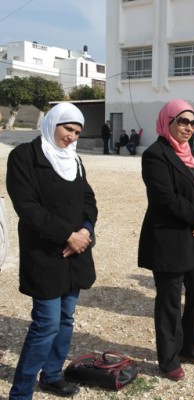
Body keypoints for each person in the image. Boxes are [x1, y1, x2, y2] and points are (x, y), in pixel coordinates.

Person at [6, 103, 97, 399]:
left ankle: (52, 375)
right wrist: (67, 236)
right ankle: (21, 393)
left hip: (75, 252)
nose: (72, 136)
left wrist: (85, 232)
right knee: (46, 323)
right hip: (44, 252)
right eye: (68, 129)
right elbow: (27, 206)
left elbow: (88, 201)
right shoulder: (24, 156)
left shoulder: (74, 160)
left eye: (77, 132)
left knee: (66, 318)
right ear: (52, 123)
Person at [138, 99, 194, 381]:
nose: (188, 127)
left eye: (193, 123)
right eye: (183, 121)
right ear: (167, 121)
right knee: (170, 300)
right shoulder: (155, 155)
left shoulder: (190, 153)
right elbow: (165, 199)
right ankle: (169, 358)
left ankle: (190, 347)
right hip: (170, 237)